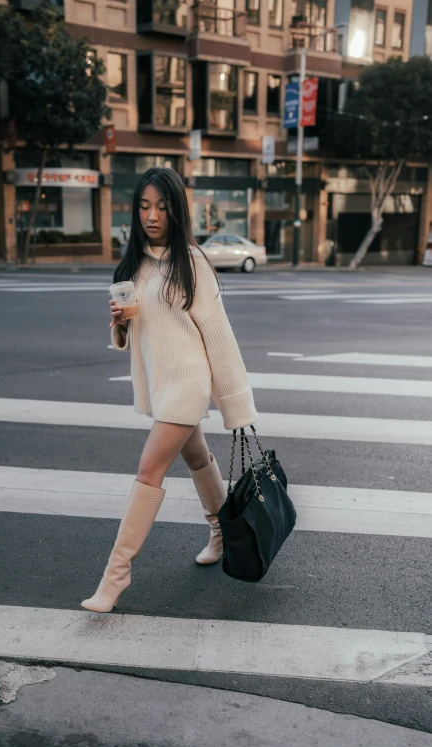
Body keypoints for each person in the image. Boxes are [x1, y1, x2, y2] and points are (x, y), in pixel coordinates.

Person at [81, 168, 258, 613]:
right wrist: (121, 325)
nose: (151, 215)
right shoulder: (135, 264)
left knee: (148, 469)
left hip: (187, 384)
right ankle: (224, 535)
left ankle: (115, 575)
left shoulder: (193, 263)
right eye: (144, 206)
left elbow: (219, 338)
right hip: (163, 384)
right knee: (197, 457)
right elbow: (139, 332)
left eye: (161, 206)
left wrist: (236, 407)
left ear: (177, 208)